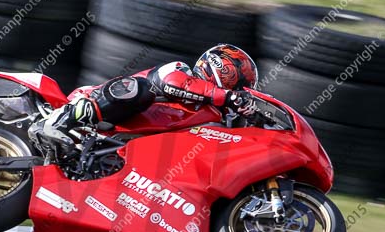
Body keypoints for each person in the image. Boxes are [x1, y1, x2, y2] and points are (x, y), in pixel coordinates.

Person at [32, 43, 264, 154]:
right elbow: (171, 82)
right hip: (97, 106)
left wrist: (256, 119)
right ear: (224, 70)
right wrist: (228, 96)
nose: (241, 91)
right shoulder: (180, 70)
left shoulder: (212, 116)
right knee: (140, 89)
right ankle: (60, 121)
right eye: (240, 84)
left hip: (123, 145)